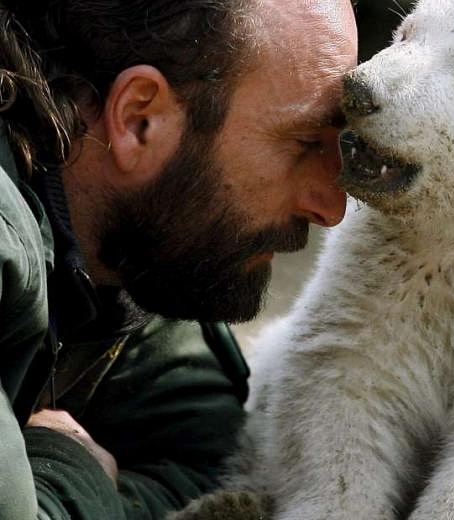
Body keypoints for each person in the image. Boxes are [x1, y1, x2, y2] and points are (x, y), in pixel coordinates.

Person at [0, 0, 357, 517]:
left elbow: (203, 464)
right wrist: (74, 466)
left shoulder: (139, 247)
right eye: (304, 143)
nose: (331, 206)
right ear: (140, 118)